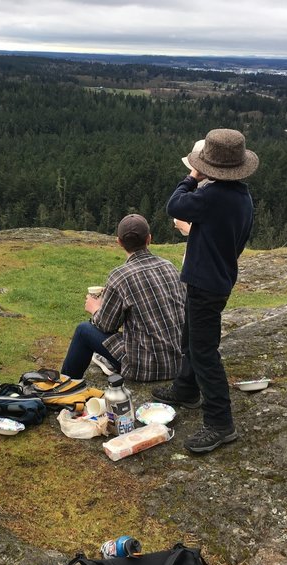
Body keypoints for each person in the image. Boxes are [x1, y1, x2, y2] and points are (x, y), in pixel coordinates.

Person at [152, 128, 259, 453]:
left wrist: (191, 176)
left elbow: (174, 205)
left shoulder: (211, 196)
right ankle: (186, 388)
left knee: (204, 352)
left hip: (205, 284)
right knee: (190, 337)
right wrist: (197, 231)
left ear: (210, 167)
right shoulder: (241, 197)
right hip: (218, 278)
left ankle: (220, 423)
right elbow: (224, 236)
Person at [60, 214, 185, 382]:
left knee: (83, 330)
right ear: (149, 239)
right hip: (179, 363)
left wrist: (95, 308)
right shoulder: (169, 266)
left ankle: (65, 386)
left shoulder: (120, 276)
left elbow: (106, 326)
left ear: (119, 242)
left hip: (146, 368)